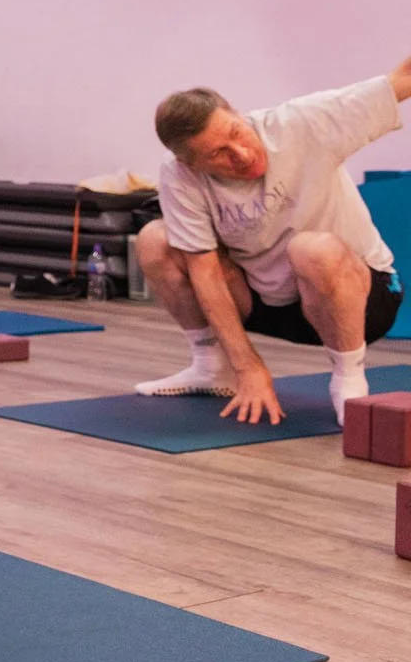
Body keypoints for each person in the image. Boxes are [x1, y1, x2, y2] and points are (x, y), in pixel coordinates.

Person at [133, 63, 411, 424]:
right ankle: (209, 367)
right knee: (155, 240)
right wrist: (247, 367)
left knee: (311, 249)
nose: (242, 154)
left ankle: (349, 378)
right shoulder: (178, 174)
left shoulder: (302, 123)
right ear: (191, 163)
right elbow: (204, 271)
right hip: (267, 302)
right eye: (218, 153)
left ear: (237, 112)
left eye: (237, 132)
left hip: (361, 299)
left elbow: (402, 79)